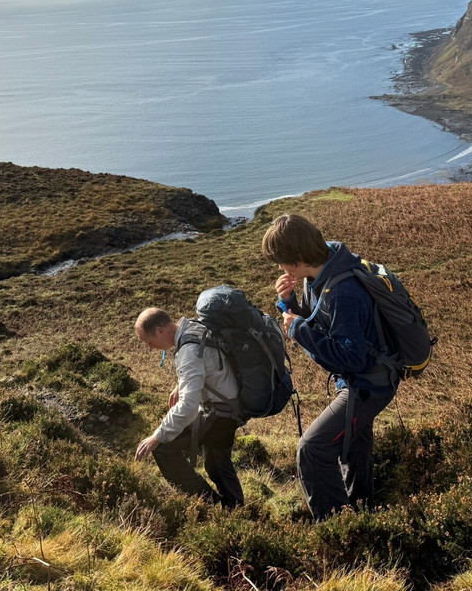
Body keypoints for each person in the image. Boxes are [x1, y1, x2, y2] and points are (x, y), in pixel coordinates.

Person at [262, 214, 397, 520]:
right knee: (353, 446)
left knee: (312, 449)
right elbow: (320, 322)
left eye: (282, 262)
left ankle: (339, 528)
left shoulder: (343, 291)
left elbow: (351, 357)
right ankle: (363, 512)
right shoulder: (320, 274)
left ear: (297, 259)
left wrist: (297, 329)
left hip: (366, 385)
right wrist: (288, 302)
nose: (281, 269)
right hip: (361, 381)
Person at [133, 307, 245, 508]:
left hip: (219, 413)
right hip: (233, 405)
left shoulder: (188, 351)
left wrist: (157, 436)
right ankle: (235, 509)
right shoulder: (193, 327)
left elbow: (188, 406)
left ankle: (209, 506)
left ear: (159, 331)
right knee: (216, 462)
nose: (150, 348)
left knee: (163, 448)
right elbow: (207, 361)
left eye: (148, 342)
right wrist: (181, 384)